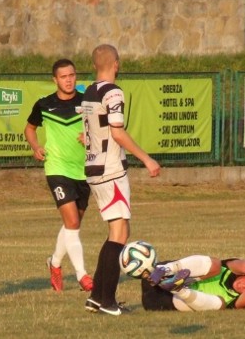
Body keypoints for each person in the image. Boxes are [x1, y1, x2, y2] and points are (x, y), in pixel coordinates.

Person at [80, 44, 161, 316]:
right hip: (111, 170)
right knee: (120, 234)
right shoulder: (113, 92)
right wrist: (147, 159)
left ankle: (96, 297)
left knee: (115, 232)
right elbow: (117, 132)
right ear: (116, 63)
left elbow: (93, 130)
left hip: (93, 168)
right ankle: (107, 301)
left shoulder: (90, 91)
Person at [24, 58, 93, 293]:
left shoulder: (87, 102)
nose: (68, 80)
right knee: (72, 222)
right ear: (55, 80)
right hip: (57, 169)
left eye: (72, 75)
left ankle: (54, 262)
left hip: (83, 170)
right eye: (63, 76)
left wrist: (89, 136)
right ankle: (83, 276)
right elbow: (29, 128)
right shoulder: (44, 104)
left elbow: (100, 128)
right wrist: (35, 147)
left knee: (73, 225)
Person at [142, 255, 245, 311]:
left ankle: (178, 288)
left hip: (162, 300)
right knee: (216, 264)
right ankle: (166, 270)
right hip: (155, 275)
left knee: (220, 304)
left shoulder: (236, 300)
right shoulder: (230, 269)